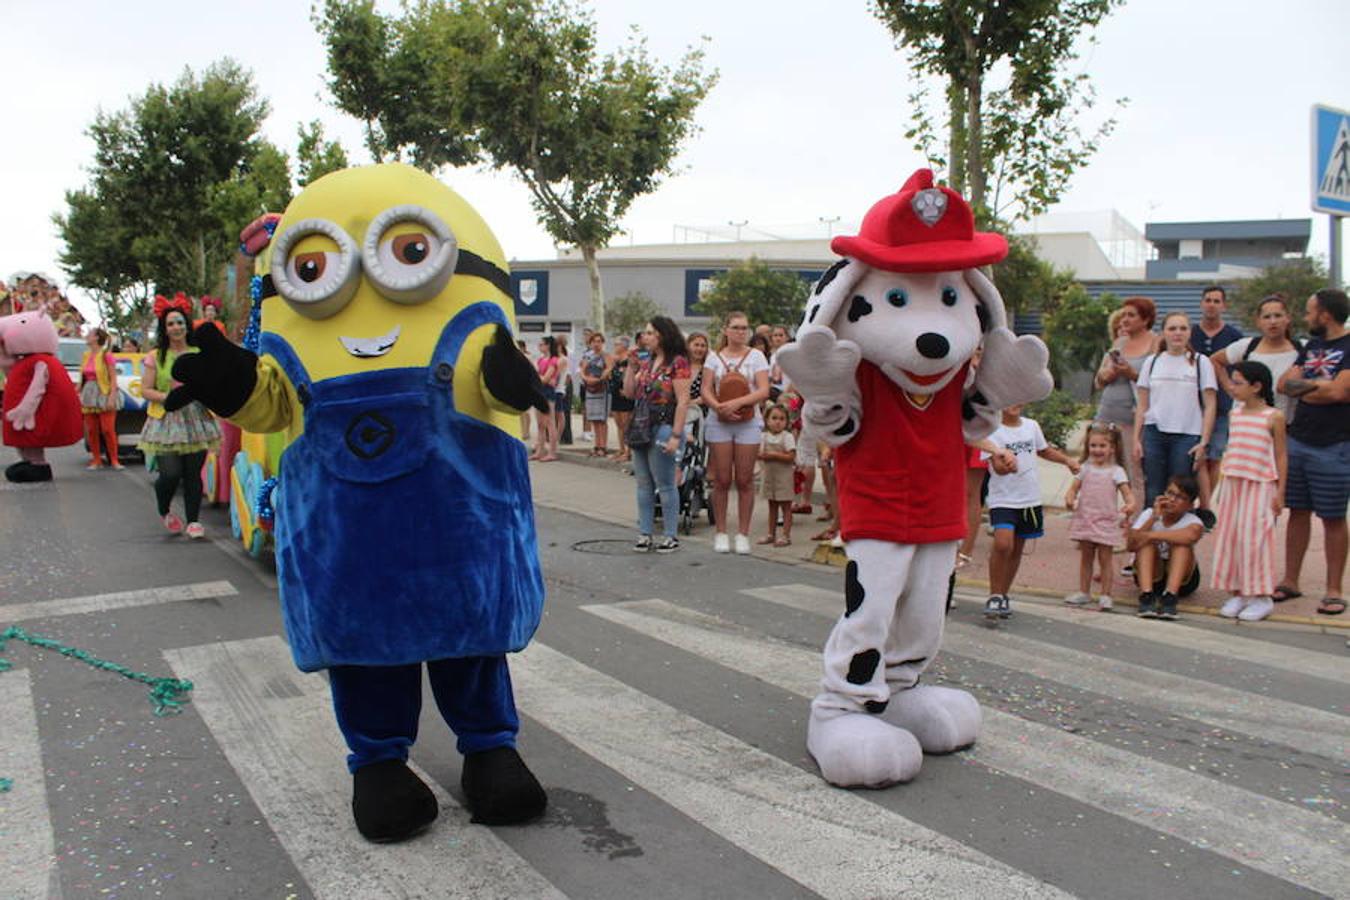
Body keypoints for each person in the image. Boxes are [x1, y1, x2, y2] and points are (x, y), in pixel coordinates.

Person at [1274, 288, 1349, 616]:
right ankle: (1291, 580)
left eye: (1309, 311)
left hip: (1335, 445)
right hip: (1299, 440)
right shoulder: (1311, 347)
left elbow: (1340, 392)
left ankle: (1334, 589)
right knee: (1297, 511)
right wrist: (1318, 388)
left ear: (1325, 314)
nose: (1306, 317)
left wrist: (1309, 387)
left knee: (1333, 517)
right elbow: (1284, 385)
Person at [981, 404, 1080, 619]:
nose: (1014, 404)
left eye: (1018, 398)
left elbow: (1044, 450)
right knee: (1002, 543)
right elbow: (995, 466)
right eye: (1007, 399)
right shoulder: (992, 431)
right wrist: (1005, 465)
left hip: (1029, 499)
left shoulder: (1031, 426)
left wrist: (1067, 461)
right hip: (1003, 499)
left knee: (1017, 549)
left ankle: (1003, 595)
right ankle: (994, 594)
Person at [137, 298, 221, 538]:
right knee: (170, 474)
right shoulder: (156, 356)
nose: (176, 327)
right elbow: (145, 390)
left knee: (193, 473)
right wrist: (170, 398)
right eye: (171, 323)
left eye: (180, 322)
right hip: (166, 418)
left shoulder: (199, 353)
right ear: (165, 329)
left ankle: (194, 522)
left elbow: (212, 383)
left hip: (195, 419)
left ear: (187, 325)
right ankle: (164, 509)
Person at [1211, 361, 1287, 622]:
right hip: (1234, 481)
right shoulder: (1235, 414)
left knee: (1255, 540)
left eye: (1238, 382)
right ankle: (1239, 591)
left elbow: (1280, 456)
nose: (1232, 388)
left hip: (1260, 483)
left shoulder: (1273, 416)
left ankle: (1261, 595)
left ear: (1257, 387)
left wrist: (1280, 492)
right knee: (1231, 538)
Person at [701, 311, 771, 554]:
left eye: (745, 328)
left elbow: (763, 390)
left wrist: (737, 403)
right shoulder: (713, 357)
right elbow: (706, 389)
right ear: (726, 330)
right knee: (721, 479)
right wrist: (719, 406)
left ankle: (743, 533)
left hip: (747, 421)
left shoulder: (757, 356)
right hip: (719, 420)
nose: (741, 332)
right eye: (737, 327)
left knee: (745, 479)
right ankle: (721, 531)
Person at [1134, 311, 1217, 512]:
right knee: (1154, 490)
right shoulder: (1152, 362)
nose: (1177, 333)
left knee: (1180, 493)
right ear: (1163, 333)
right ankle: (1152, 538)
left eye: (1183, 328)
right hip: (1154, 433)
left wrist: (1203, 442)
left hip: (1187, 436)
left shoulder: (1200, 362)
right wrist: (1137, 439)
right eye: (1172, 328)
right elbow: (1143, 405)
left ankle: (1178, 538)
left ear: (1190, 332)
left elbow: (1210, 404)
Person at [623, 316, 691, 553]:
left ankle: (670, 534)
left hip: (663, 423)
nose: (645, 336)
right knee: (643, 482)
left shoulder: (678, 363)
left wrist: (676, 434)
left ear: (662, 335)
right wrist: (631, 368)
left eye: (650, 332)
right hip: (642, 424)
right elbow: (629, 393)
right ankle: (645, 532)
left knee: (665, 482)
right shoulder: (646, 361)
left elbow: (683, 401)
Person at [1064, 422, 1136, 610]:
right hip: (1086, 519)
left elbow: (1127, 493)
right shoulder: (1084, 468)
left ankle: (1106, 594)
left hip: (1106, 521)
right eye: (1093, 445)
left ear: (1112, 448)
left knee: (1105, 559)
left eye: (1102, 446)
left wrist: (1130, 504)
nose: (1097, 450)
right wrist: (1070, 497)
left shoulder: (1117, 471)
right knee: (1086, 558)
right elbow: (1073, 489)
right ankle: (1084, 592)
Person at [1093, 296, 1157, 504]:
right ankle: (1102, 520)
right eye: (1124, 315)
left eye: (1131, 315)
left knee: (1134, 474)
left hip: (1133, 420)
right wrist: (1108, 374)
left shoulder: (1155, 343)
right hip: (1107, 415)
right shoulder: (1119, 342)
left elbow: (1158, 383)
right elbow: (1098, 381)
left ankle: (1134, 525)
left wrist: (1132, 373)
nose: (1125, 320)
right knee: (1102, 471)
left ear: (1145, 319)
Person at [1211, 293, 1301, 420]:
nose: (1273, 321)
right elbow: (1215, 360)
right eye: (1267, 317)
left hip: (1286, 422)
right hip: (1246, 422)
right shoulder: (1247, 347)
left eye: (1278, 316)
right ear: (1258, 321)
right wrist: (1231, 388)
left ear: (1288, 318)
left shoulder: (1301, 349)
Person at [1127, 474, 1205, 620]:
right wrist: (1154, 519)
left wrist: (1149, 535)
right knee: (1146, 546)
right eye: (1170, 493)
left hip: (1183, 581)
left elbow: (1190, 536)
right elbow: (1131, 546)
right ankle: (1147, 597)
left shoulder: (1193, 521)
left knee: (1181, 545)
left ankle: (1170, 598)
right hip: (1152, 576)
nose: (1172, 500)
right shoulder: (1149, 514)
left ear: (1190, 505)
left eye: (1180, 497)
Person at [1190, 285, 1245, 488]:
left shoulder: (1234, 336)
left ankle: (1206, 507)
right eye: (1208, 300)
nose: (1211, 305)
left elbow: (1241, 368)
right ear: (1201, 303)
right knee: (1194, 456)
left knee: (1214, 455)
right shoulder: (1190, 333)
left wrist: (1232, 388)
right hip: (1191, 404)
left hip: (1221, 405)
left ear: (1224, 305)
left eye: (1216, 301)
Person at [79, 326, 123, 470]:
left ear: (96, 338)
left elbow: (113, 377)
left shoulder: (106, 355)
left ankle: (114, 459)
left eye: (90, 334)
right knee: (91, 429)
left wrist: (112, 396)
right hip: (89, 392)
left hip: (103, 391)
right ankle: (96, 459)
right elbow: (83, 377)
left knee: (107, 429)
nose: (87, 336)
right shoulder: (86, 355)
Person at [756, 403, 796, 546]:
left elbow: (791, 456)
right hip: (769, 476)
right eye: (774, 418)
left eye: (781, 419)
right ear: (767, 420)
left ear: (786, 422)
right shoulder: (763, 436)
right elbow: (758, 454)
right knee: (772, 505)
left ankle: (786, 535)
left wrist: (774, 455)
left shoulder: (787, 437)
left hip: (784, 477)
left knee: (786, 506)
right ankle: (770, 534)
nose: (778, 422)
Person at [579, 331, 613, 457]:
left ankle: (603, 446)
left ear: (603, 343)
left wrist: (598, 379)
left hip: (602, 389)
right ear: (591, 343)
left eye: (599, 341)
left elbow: (609, 369)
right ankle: (597, 444)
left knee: (602, 419)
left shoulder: (606, 356)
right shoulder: (588, 356)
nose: (596, 344)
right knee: (594, 419)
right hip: (590, 389)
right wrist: (586, 379)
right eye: (594, 341)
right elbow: (582, 370)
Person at [531, 336, 561, 461]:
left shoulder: (553, 360)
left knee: (550, 423)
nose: (539, 346)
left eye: (542, 344)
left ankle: (552, 452)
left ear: (548, 345)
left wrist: (534, 373)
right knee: (540, 424)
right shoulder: (540, 360)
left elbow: (545, 379)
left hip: (548, 393)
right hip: (539, 392)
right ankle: (540, 451)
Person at [608, 336, 634, 462]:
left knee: (626, 424)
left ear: (624, 346)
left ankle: (628, 451)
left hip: (625, 394)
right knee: (618, 423)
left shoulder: (629, 360)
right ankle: (621, 449)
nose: (615, 346)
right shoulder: (615, 360)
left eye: (617, 344)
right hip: (615, 393)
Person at [555, 334, 574, 445]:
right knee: (559, 412)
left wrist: (565, 387)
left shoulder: (569, 354)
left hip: (565, 383)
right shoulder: (556, 355)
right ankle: (559, 435)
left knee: (565, 411)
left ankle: (566, 437)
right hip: (561, 384)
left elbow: (568, 374)